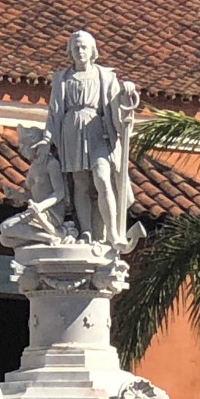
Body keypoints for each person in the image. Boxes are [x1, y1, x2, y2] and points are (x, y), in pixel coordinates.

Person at [43, 30, 137, 248]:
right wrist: (47, 138)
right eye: (75, 47)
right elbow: (54, 113)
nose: (80, 51)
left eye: (84, 47)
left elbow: (118, 105)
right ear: (70, 51)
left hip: (97, 131)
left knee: (103, 178)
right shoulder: (62, 79)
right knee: (80, 183)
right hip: (71, 132)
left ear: (92, 50)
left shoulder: (105, 77)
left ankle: (112, 232)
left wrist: (127, 93)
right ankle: (85, 232)